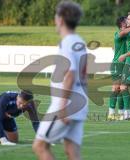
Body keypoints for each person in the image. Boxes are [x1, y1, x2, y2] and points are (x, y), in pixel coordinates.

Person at [32, 1, 88, 160]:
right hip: (79, 103)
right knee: (72, 151)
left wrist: (63, 107)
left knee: (40, 146)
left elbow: (70, 74)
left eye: (56, 16)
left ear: (61, 19)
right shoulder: (79, 41)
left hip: (65, 104)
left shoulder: (68, 42)